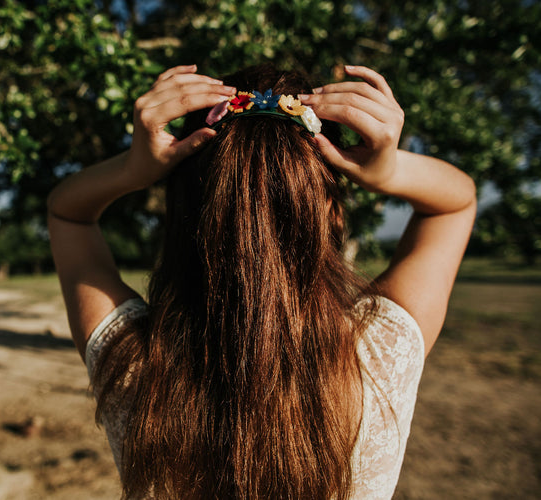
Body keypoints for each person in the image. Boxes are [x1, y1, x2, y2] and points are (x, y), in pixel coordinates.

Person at [47, 64, 476, 499]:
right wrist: (388, 171)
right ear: (333, 213)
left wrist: (133, 168)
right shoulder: (383, 353)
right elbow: (455, 204)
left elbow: (67, 213)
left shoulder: (133, 364)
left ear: (182, 218)